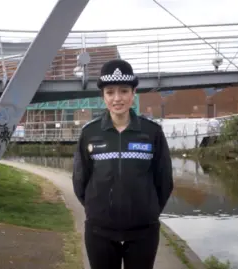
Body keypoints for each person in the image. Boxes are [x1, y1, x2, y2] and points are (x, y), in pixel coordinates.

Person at [72, 59, 174, 269]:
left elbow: (164, 181)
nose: (117, 98)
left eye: (124, 91)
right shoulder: (90, 133)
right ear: (103, 96)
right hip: (99, 232)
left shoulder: (151, 132)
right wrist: (98, 210)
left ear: (133, 93)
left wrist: (148, 212)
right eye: (110, 92)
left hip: (143, 233)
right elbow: (80, 181)